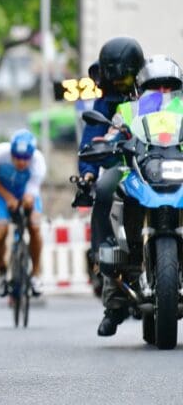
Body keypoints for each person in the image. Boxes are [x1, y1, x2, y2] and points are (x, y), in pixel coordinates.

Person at [94, 54, 183, 337]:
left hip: (177, 172)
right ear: (141, 87)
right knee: (113, 206)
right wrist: (106, 142)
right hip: (141, 173)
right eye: (156, 86)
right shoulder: (129, 110)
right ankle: (113, 306)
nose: (162, 92)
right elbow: (113, 133)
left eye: (168, 86)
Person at [73, 37, 144, 336]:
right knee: (103, 190)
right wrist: (88, 173)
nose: (119, 84)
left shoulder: (158, 93)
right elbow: (92, 134)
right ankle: (113, 300)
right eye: (113, 78)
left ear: (137, 72)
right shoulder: (105, 100)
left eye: (125, 78)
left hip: (157, 166)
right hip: (123, 168)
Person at [0, 129, 46, 297]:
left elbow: (31, 193)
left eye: (25, 159)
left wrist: (26, 202)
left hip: (25, 192)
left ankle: (35, 274)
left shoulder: (38, 161)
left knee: (34, 227)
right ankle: (2, 270)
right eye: (17, 157)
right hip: (1, 194)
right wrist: (7, 197)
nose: (21, 162)